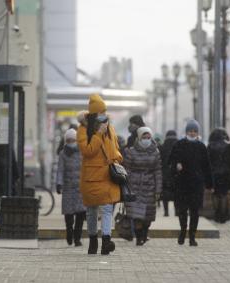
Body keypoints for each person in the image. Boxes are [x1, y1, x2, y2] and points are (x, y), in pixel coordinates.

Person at [77, 94, 123, 255]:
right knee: (91, 211)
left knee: (107, 209)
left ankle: (106, 241)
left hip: (107, 176)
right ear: (94, 114)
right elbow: (87, 151)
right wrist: (98, 135)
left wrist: (117, 157)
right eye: (101, 111)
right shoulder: (83, 129)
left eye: (105, 111)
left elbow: (114, 149)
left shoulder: (109, 128)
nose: (104, 114)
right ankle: (92, 241)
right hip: (91, 177)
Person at [170, 120, 213, 246]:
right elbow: (171, 161)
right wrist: (176, 166)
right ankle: (183, 231)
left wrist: (210, 184)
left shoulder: (201, 147)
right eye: (190, 131)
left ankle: (192, 236)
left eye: (194, 131)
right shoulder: (179, 144)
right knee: (182, 210)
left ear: (197, 132)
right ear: (186, 131)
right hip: (182, 183)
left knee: (195, 211)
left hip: (196, 184)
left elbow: (207, 166)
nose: (192, 133)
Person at [123, 127, 162, 246]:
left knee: (148, 217)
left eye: (148, 137)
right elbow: (126, 169)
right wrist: (127, 185)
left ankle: (145, 233)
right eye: (144, 137)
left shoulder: (155, 152)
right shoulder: (131, 151)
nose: (146, 139)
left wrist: (158, 189)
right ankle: (139, 237)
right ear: (139, 138)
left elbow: (158, 171)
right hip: (135, 187)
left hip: (150, 187)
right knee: (137, 215)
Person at [56, 128, 86, 246]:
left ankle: (77, 238)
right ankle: (69, 233)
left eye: (73, 139)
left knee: (80, 214)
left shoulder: (83, 151)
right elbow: (60, 170)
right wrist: (59, 184)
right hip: (68, 188)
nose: (71, 142)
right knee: (69, 215)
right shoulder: (63, 154)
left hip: (81, 188)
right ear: (65, 141)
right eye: (69, 140)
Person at [208, 128, 230, 223]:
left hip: (214, 174)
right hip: (225, 174)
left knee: (215, 194)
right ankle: (223, 216)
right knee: (224, 194)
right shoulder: (227, 146)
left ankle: (217, 214)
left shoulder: (210, 146)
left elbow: (207, 161)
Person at [160, 130, 178, 217]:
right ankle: (176, 211)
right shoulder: (179, 146)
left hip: (165, 174)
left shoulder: (163, 147)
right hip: (176, 174)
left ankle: (166, 211)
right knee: (176, 194)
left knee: (165, 194)